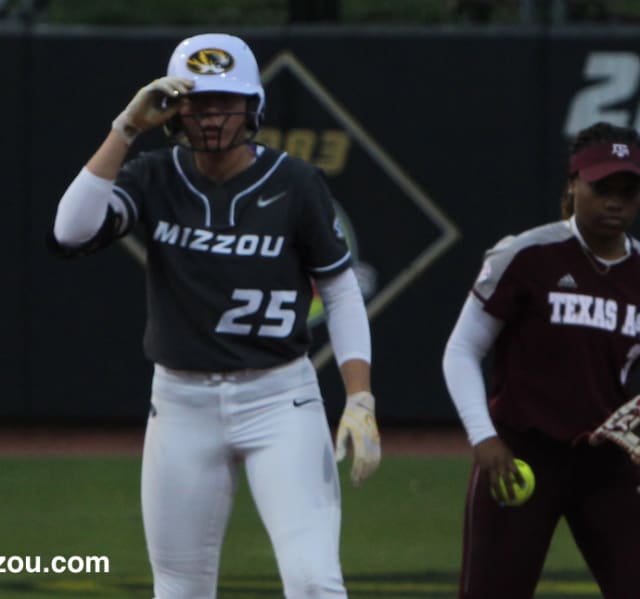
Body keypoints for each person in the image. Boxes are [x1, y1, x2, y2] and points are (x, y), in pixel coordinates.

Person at [50, 33, 381, 599]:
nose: (211, 116)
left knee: (313, 582)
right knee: (179, 588)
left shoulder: (294, 182)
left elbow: (342, 292)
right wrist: (124, 129)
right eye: (197, 102)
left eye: (226, 101)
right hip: (182, 402)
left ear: (252, 107)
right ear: (173, 108)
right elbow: (70, 231)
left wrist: (359, 397)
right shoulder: (156, 175)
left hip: (281, 398)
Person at [442, 121, 640, 598]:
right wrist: (484, 438)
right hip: (521, 455)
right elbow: (461, 350)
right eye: (601, 187)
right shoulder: (529, 254)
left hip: (609, 463)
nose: (615, 201)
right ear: (573, 185)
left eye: (628, 191)